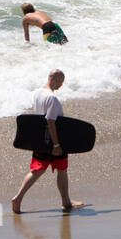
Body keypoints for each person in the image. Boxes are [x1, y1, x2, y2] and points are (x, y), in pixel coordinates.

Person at [11, 69, 82, 213]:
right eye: (60, 82)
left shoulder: (37, 93)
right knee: (62, 169)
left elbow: (39, 118)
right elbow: (50, 121)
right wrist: (56, 145)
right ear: (54, 79)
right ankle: (66, 203)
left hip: (40, 140)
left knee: (37, 170)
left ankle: (18, 198)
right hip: (53, 139)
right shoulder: (52, 98)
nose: (61, 86)